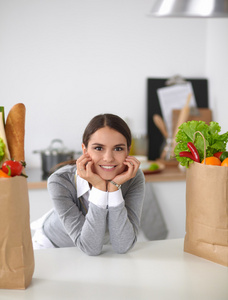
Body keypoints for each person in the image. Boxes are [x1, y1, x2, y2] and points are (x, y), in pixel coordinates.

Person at [32, 113, 145, 255]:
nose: (108, 158)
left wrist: (113, 188)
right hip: (51, 249)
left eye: (118, 149)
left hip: (97, 252)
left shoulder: (133, 177)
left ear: (128, 151)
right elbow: (90, 248)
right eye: (98, 148)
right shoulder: (60, 181)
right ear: (85, 150)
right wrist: (99, 188)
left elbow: (123, 246)